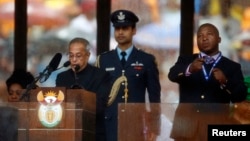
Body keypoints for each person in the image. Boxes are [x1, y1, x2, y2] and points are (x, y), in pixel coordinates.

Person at [168, 23, 248, 141]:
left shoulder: (232, 66)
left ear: (219, 39)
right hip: (186, 128)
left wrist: (225, 81)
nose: (204, 38)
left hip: (216, 126)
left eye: (209, 34)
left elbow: (240, 96)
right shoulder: (186, 60)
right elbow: (172, 75)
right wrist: (189, 68)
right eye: (200, 36)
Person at [95, 9, 161, 141]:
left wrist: (154, 127)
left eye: (125, 28)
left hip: (136, 123)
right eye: (117, 28)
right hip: (109, 123)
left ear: (134, 30)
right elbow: (97, 96)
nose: (120, 32)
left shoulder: (146, 60)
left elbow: (154, 97)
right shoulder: (103, 60)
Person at [55, 37, 112, 141]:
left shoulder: (100, 75)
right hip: (67, 131)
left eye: (78, 56)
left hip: (93, 132)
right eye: (71, 55)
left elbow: (100, 105)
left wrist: (83, 97)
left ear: (87, 55)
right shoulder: (62, 77)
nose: (74, 59)